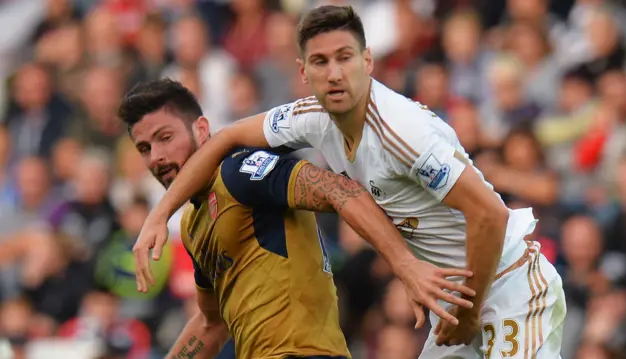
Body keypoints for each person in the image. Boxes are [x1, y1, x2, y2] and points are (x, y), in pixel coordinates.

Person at [135, 6, 567, 358]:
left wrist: (465, 310)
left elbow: (489, 214)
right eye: (321, 62)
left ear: (367, 61)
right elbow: (226, 137)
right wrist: (159, 215)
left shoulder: (403, 132)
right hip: (455, 303)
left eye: (345, 57)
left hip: (509, 285)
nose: (335, 73)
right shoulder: (310, 119)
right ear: (304, 72)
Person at [118, 79, 475, 359]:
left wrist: (405, 265)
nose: (157, 157)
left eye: (165, 138)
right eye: (145, 148)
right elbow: (211, 324)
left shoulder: (238, 171)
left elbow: (338, 189)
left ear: (200, 130)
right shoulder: (192, 225)